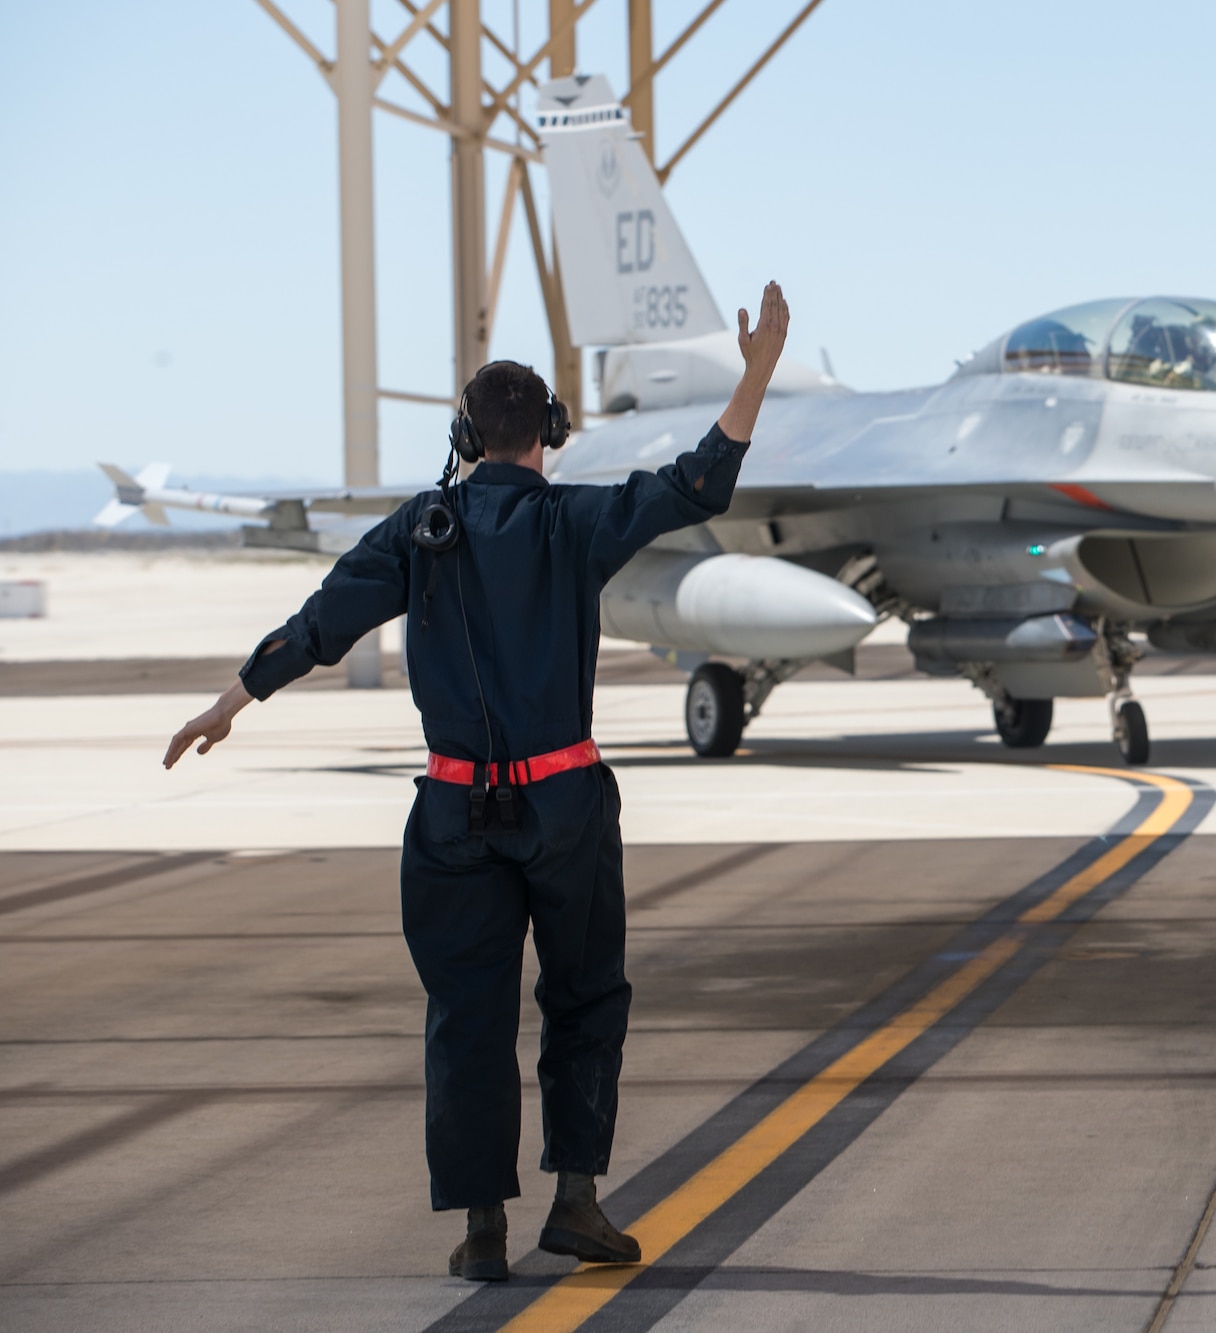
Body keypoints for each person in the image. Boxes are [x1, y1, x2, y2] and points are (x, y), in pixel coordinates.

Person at [164, 282, 791, 1282]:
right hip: (565, 805)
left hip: (452, 812)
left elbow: (320, 625)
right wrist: (755, 371)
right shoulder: (577, 521)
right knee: (584, 1001)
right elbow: (696, 484)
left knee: (467, 1017)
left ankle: (483, 1227)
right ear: (549, 430)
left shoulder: (419, 530)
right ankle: (576, 1202)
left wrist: (230, 700)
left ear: (464, 434)